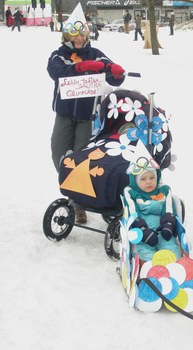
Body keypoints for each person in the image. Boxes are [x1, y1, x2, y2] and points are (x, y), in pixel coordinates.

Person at [47, 3, 126, 224]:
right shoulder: (58, 55)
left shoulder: (96, 54)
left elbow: (113, 75)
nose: (79, 38)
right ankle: (73, 190)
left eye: (82, 34)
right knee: (59, 153)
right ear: (66, 36)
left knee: (82, 158)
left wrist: (115, 72)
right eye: (74, 34)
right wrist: (81, 67)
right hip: (64, 114)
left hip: (87, 117)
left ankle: (79, 201)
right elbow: (57, 72)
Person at [123, 158, 181, 262]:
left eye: (152, 177)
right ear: (136, 181)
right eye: (143, 179)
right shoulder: (132, 193)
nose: (148, 182)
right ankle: (150, 271)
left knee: (171, 248)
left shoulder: (163, 191)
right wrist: (143, 231)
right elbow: (133, 214)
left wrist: (168, 225)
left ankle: (174, 269)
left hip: (161, 227)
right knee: (146, 252)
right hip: (143, 231)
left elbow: (168, 210)